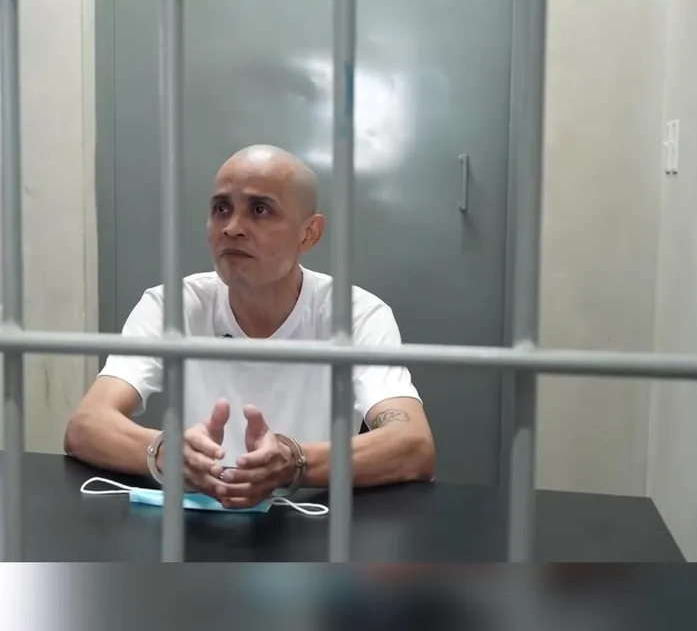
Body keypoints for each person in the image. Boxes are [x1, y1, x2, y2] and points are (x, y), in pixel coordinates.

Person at [64, 144, 436, 508]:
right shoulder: (172, 306)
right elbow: (86, 425)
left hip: (310, 522)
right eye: (221, 209)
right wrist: (165, 452)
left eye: (260, 210)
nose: (232, 228)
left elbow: (413, 444)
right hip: (198, 518)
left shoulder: (355, 315)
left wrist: (293, 463)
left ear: (309, 233)